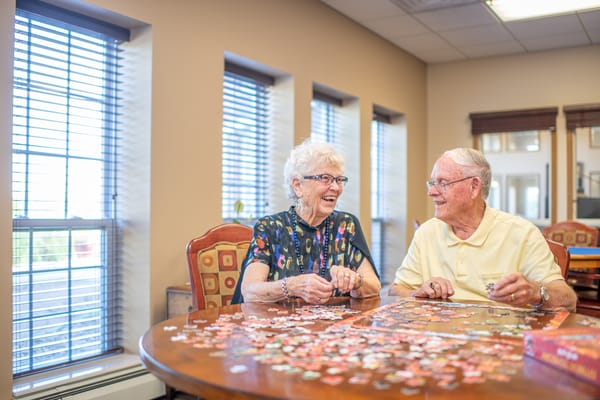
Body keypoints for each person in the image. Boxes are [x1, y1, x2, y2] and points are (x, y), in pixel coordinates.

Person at [389, 147, 577, 312]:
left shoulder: (522, 233)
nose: (431, 192)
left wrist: (537, 293)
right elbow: (396, 289)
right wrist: (418, 292)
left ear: (474, 187)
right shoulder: (426, 232)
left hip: (502, 342)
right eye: (432, 183)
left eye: (443, 183)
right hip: (437, 342)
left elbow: (568, 300)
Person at [232, 140, 381, 304]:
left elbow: (374, 286)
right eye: (325, 178)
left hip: (336, 327)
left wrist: (355, 281)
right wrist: (291, 286)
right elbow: (250, 291)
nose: (336, 188)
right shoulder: (270, 228)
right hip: (279, 327)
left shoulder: (346, 225)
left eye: (339, 180)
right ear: (298, 186)